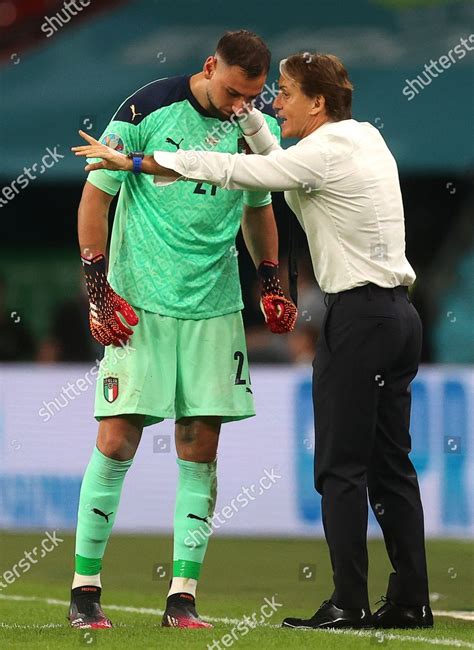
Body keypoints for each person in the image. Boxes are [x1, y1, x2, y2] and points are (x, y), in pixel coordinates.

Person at [74, 51, 433, 631]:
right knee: (393, 464)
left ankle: (347, 602)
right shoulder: (365, 138)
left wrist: (136, 160)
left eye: (284, 93)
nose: (272, 103)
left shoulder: (314, 155)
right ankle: (412, 600)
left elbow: (237, 174)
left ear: (317, 103)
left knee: (340, 468)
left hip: (357, 318)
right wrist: (247, 121)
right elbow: (271, 157)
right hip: (399, 318)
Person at [69, 30, 296, 631]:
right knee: (117, 439)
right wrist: (98, 287)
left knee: (201, 446)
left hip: (214, 306)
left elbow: (259, 208)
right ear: (208, 67)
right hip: (139, 301)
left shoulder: (250, 128)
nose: (236, 106)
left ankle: (182, 599)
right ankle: (85, 591)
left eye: (249, 96)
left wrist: (270, 280)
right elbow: (96, 199)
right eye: (229, 92)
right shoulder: (145, 109)